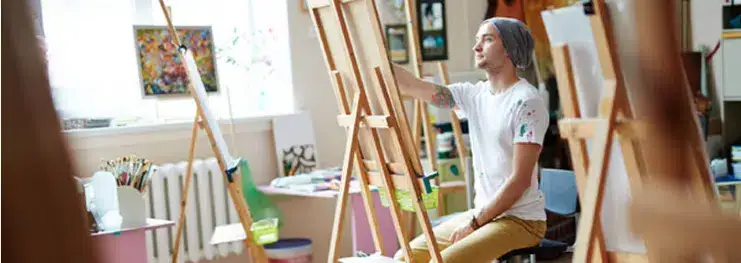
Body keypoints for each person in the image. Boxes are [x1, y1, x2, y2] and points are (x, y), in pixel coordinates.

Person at [392, 17, 548, 263]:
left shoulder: (527, 102)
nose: (476, 47)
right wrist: (374, 61)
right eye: (477, 40)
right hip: (484, 214)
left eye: (487, 39)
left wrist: (474, 224)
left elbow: (519, 182)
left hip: (521, 220)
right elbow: (414, 86)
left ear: (509, 49)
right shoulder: (474, 95)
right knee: (405, 257)